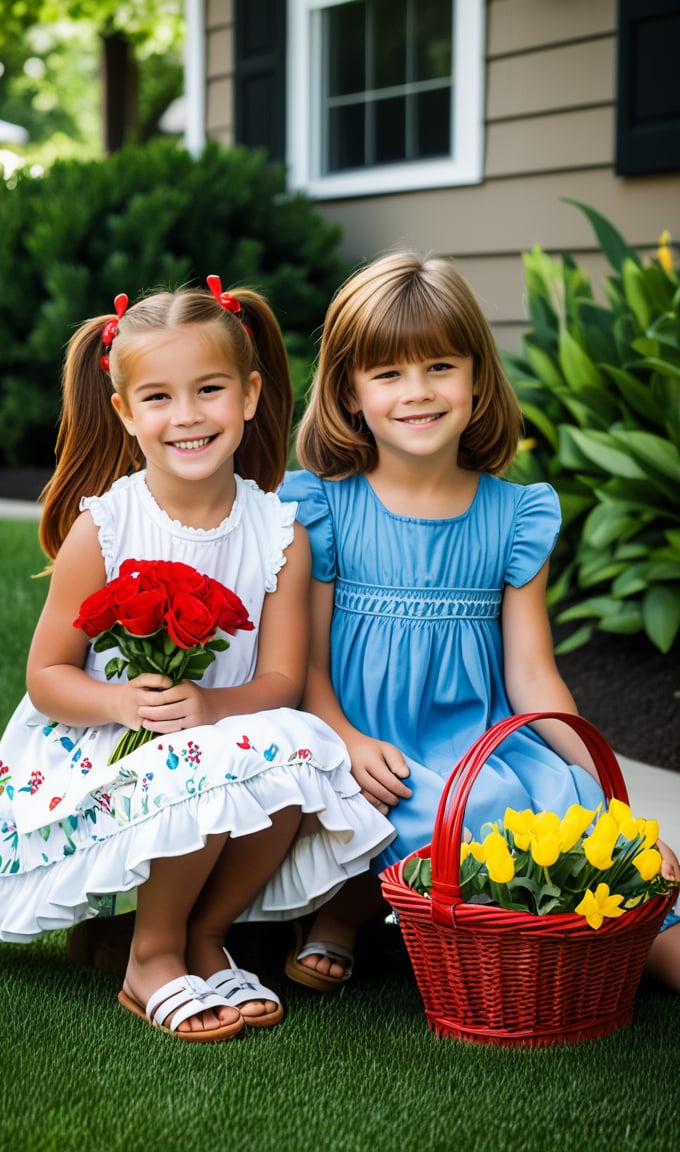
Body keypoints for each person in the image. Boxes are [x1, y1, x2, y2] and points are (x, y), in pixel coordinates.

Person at [0, 277, 395, 1041]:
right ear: (124, 412)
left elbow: (280, 680)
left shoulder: (279, 531)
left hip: (221, 727)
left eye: (209, 389)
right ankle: (149, 957)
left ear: (248, 396)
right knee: (201, 759)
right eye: (158, 397)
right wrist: (122, 703)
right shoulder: (107, 528)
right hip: (113, 744)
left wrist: (212, 706)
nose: (186, 416)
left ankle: (203, 937)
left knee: (305, 747)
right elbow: (46, 676)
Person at [280, 251, 680, 991]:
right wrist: (347, 738)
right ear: (349, 391)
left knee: (569, 809)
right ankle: (346, 909)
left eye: (440, 367)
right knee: (464, 810)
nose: (419, 392)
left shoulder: (513, 517)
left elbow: (533, 675)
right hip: (365, 739)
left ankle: (629, 945)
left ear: (475, 376)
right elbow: (304, 664)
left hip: (482, 746)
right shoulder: (325, 507)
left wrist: (609, 793)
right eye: (389, 373)